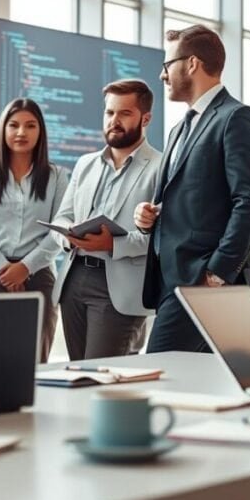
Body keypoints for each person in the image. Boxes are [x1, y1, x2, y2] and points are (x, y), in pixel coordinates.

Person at [134, 25, 250, 353]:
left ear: (191, 64)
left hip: (202, 282)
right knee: (203, 385)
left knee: (160, 373)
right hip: (171, 281)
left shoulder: (237, 118)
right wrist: (151, 215)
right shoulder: (180, 128)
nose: (163, 75)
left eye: (167, 66)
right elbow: (195, 199)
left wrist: (217, 273)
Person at [50, 79, 162, 360]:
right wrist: (67, 236)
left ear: (145, 118)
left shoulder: (162, 168)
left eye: (124, 113)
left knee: (101, 377)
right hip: (74, 279)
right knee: (76, 373)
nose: (114, 120)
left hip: (119, 289)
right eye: (110, 113)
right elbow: (63, 215)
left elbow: (162, 239)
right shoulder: (85, 164)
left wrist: (112, 244)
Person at [0, 97, 69, 362]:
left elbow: (60, 230)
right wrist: (5, 269)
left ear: (40, 131)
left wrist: (25, 268)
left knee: (34, 361)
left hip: (39, 278)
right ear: (4, 129)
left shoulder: (57, 176)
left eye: (30, 126)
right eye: (14, 125)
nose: (21, 132)